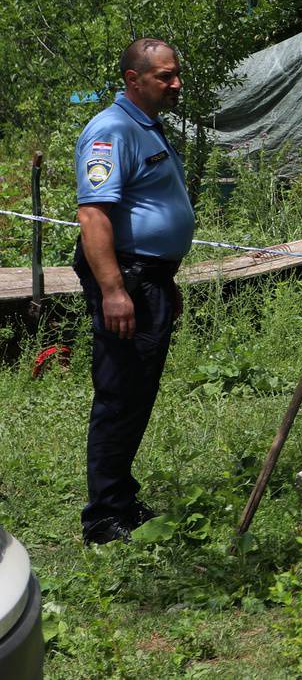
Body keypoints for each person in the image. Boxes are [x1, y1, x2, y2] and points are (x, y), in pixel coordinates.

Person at [71, 38, 195, 545]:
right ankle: (104, 518)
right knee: (121, 393)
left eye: (175, 74)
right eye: (165, 76)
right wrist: (114, 292)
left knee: (137, 391)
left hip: (149, 279)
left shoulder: (144, 127)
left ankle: (120, 497)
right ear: (133, 79)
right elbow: (93, 215)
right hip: (128, 279)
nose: (175, 83)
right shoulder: (111, 130)